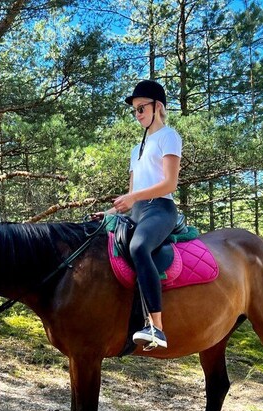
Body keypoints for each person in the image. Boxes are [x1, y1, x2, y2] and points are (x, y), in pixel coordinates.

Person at [108, 79, 182, 350]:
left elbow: (170, 183)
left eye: (141, 108)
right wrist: (108, 212)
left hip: (159, 208)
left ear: (157, 107)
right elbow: (131, 194)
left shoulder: (169, 136)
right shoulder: (134, 150)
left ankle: (156, 328)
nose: (137, 114)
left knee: (139, 247)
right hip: (136, 211)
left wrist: (134, 197)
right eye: (135, 110)